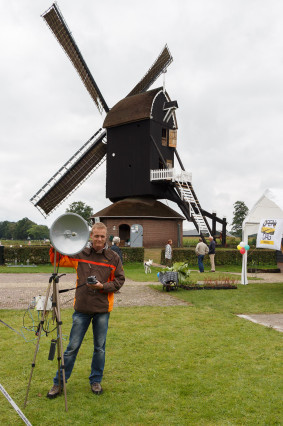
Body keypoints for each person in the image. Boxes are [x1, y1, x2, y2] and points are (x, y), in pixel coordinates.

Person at [47, 222, 125, 399]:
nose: (99, 239)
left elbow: (120, 280)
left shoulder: (113, 257)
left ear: (106, 238)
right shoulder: (80, 253)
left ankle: (95, 380)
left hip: (102, 309)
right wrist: (56, 244)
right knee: (71, 348)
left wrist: (102, 286)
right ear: (91, 236)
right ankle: (59, 383)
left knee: (99, 348)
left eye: (102, 236)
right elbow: (57, 260)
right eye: (96, 236)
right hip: (82, 308)